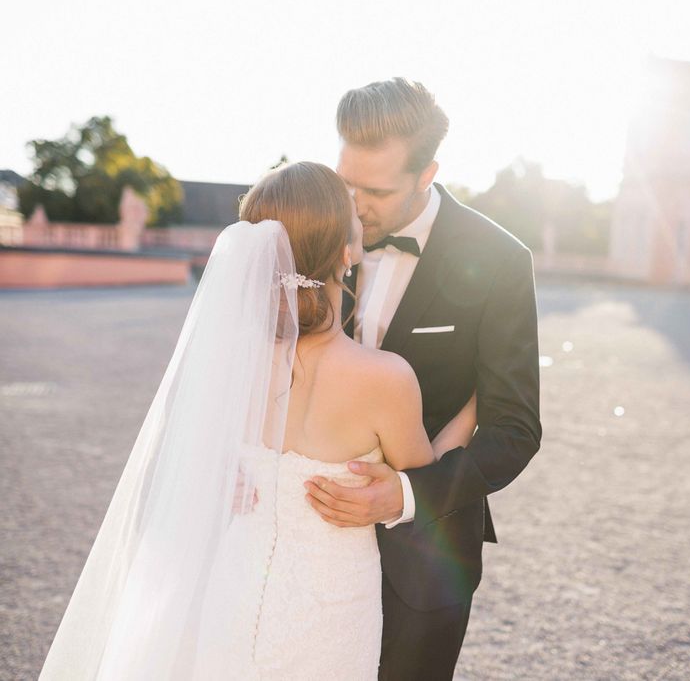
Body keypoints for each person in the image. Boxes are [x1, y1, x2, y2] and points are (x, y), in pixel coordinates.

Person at [39, 162, 478, 680]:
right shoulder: (385, 379)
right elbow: (424, 487)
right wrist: (474, 410)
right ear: (347, 253)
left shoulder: (228, 365)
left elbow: (177, 468)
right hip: (330, 618)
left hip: (231, 596)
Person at [304, 78, 542, 680]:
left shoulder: (500, 260)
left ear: (427, 172)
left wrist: (408, 493)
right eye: (345, 181)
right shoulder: (313, 231)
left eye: (376, 190)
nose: (353, 205)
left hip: (425, 553)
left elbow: (514, 428)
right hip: (306, 534)